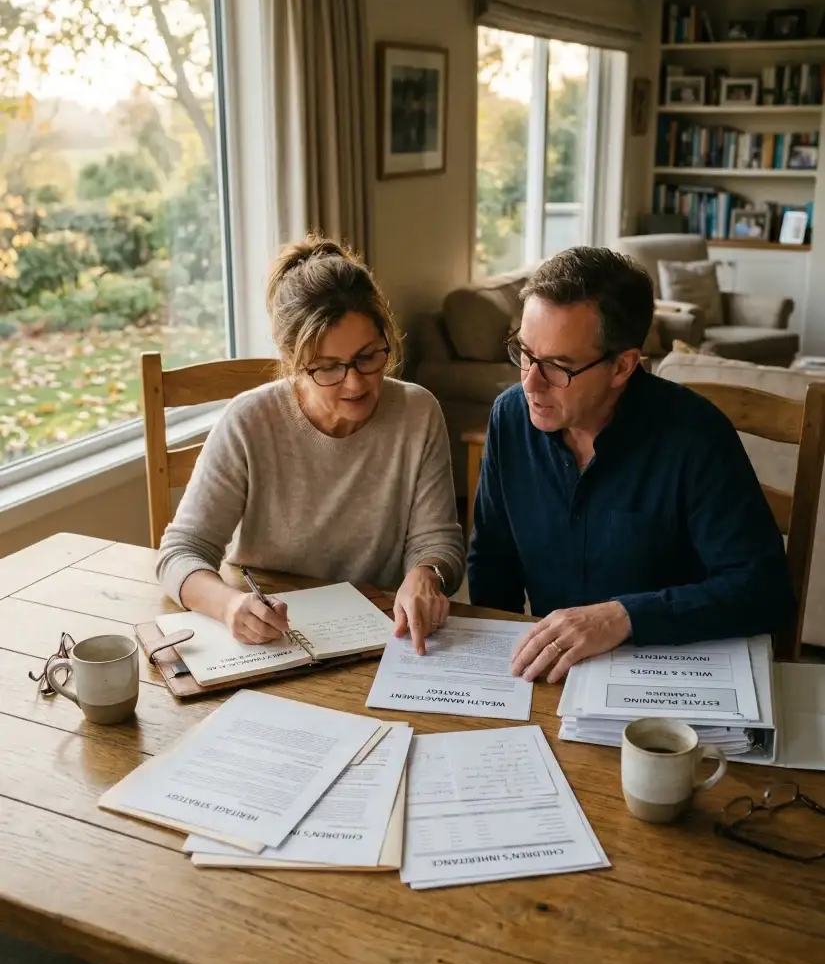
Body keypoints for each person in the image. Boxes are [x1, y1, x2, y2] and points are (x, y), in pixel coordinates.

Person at [467, 246, 795, 684]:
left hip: (670, 671)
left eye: (558, 367)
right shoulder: (510, 418)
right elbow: (492, 561)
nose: (530, 382)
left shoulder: (696, 437)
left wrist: (624, 617)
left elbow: (764, 591)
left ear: (622, 366)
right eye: (525, 353)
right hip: (554, 678)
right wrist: (497, 672)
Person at [156, 235, 465, 654]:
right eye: (328, 367)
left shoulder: (417, 412)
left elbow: (438, 541)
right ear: (292, 361)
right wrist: (230, 606)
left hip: (374, 635)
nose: (355, 382)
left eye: (368, 357)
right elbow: (180, 552)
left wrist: (426, 573)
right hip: (267, 638)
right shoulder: (249, 420)